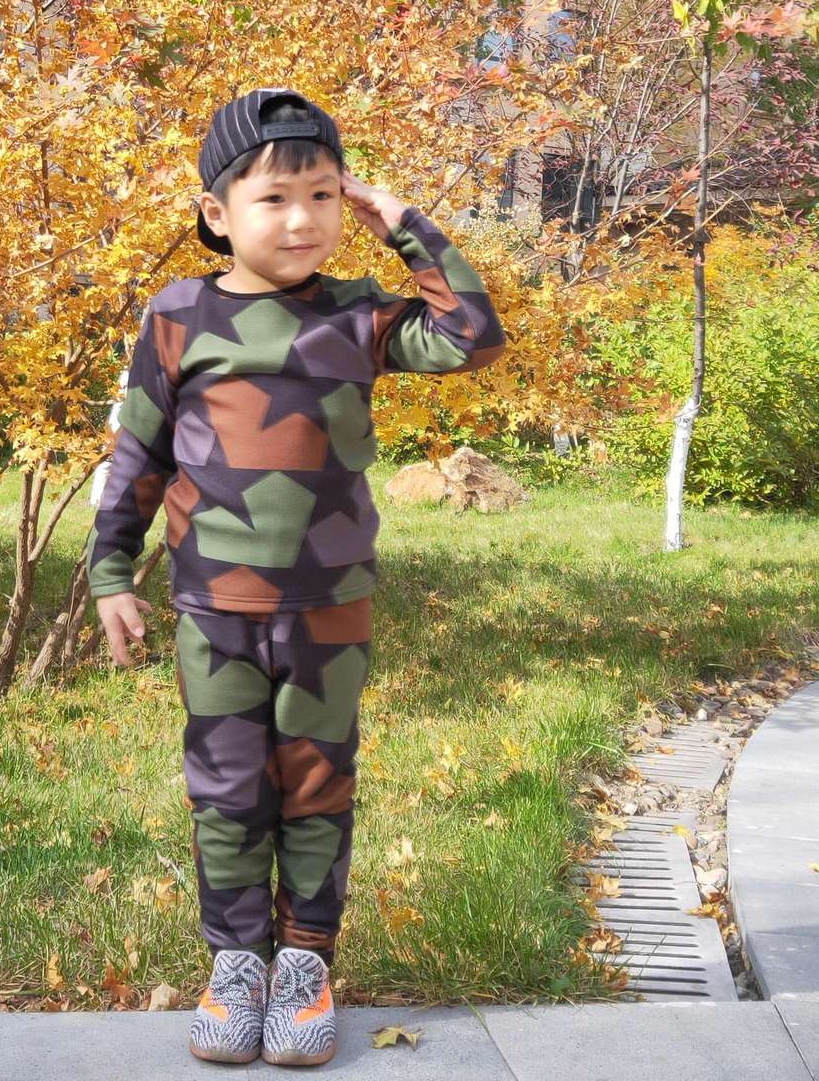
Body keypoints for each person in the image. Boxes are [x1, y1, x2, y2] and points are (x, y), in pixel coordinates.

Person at [86, 88, 507, 1067]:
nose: (303, 219)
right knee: (228, 792)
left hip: (329, 606)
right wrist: (111, 574)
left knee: (317, 787)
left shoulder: (356, 314)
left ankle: (305, 967)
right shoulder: (178, 315)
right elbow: (138, 451)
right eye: (274, 198)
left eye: (323, 194)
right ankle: (237, 966)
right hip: (214, 607)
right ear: (216, 211)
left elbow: (472, 337)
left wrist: (404, 225)